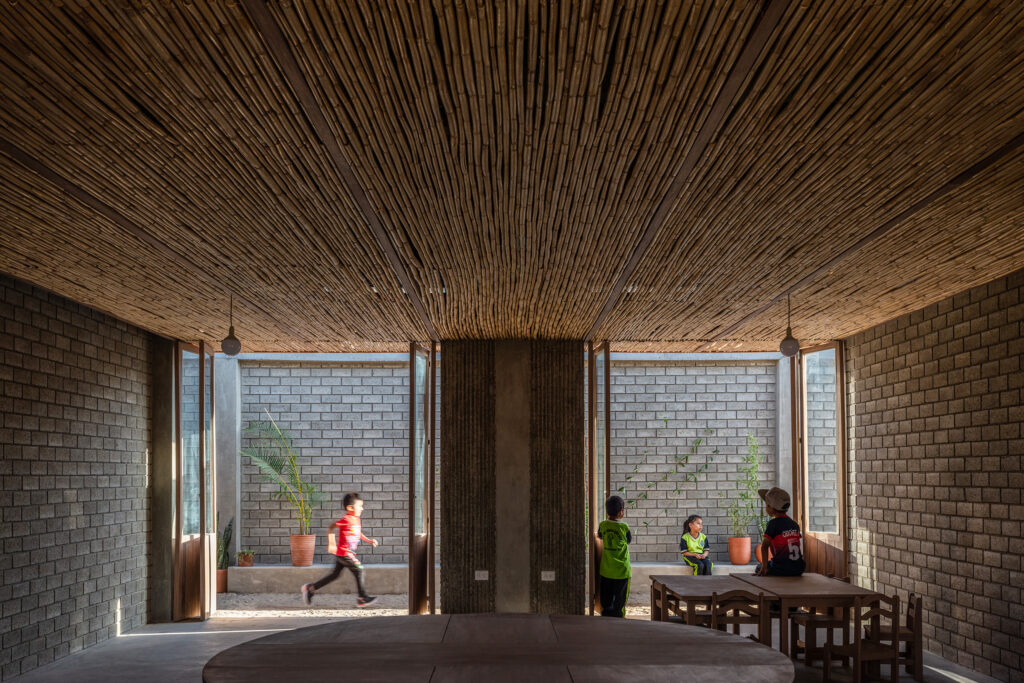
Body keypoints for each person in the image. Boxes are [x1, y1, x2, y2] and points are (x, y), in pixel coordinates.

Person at [302, 492, 379, 607]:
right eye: (360, 506)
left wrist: (368, 540)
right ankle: (362, 598)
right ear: (350, 508)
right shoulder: (346, 519)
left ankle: (311, 588)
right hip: (344, 553)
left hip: (345, 553)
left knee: (335, 575)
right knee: (359, 570)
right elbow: (331, 527)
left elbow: (358, 532)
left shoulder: (356, 519)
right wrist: (332, 543)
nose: (362, 508)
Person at [756, 487, 805, 576]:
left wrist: (764, 568)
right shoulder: (794, 524)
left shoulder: (773, 524)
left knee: (759, 567)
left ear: (769, 507)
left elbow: (764, 547)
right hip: (799, 569)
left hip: (781, 569)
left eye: (766, 505)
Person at [597, 495, 632, 617]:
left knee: (606, 601)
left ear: (607, 511)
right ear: (621, 512)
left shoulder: (603, 525)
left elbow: (600, 536)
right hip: (622, 571)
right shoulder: (624, 527)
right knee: (619, 602)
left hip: (606, 570)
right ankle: (618, 621)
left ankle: (606, 621)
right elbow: (628, 541)